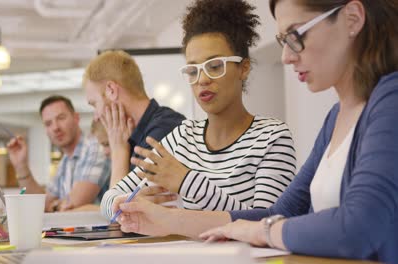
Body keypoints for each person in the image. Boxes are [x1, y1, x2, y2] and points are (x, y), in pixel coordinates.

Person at [114, 0, 398, 262]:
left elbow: (358, 227)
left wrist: (264, 231)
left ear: (352, 18)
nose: (286, 56)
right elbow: (276, 214)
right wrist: (165, 220)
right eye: (283, 41)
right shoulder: (335, 118)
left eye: (296, 35)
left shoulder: (390, 99)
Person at [101, 0, 297, 219]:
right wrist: (125, 203)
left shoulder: (272, 138)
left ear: (243, 68)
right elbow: (109, 198)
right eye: (193, 71)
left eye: (214, 67)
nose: (202, 79)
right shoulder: (182, 137)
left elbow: (266, 222)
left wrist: (187, 181)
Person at [83, 50, 186, 191]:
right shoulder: (129, 137)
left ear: (111, 90)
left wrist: (118, 151)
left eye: (94, 104)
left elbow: (119, 208)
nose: (96, 116)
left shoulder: (164, 128)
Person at [7, 95, 111, 212]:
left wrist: (54, 206)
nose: (55, 127)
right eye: (48, 123)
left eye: (61, 118)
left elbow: (73, 205)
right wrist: (21, 166)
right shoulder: (65, 162)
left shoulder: (96, 148)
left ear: (76, 118)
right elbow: (41, 204)